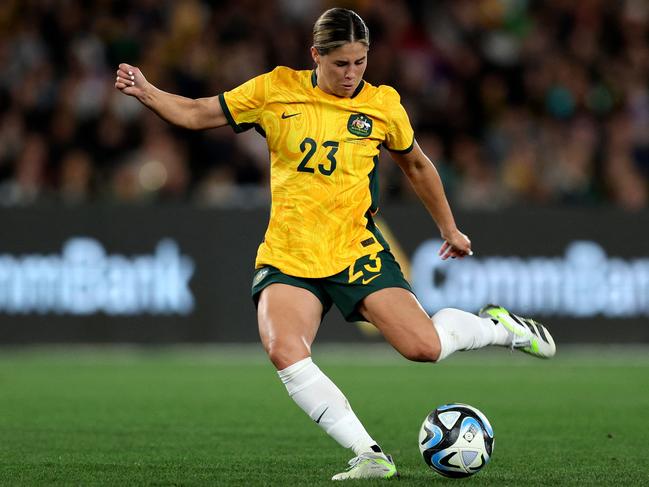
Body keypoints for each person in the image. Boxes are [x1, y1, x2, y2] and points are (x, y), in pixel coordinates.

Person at [115, 7, 555, 481]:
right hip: (289, 254)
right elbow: (200, 112)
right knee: (285, 350)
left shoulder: (383, 105)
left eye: (360, 62)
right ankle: (368, 454)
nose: (351, 75)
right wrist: (149, 92)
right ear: (315, 57)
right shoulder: (275, 89)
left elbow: (418, 166)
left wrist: (449, 229)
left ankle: (499, 327)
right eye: (340, 64)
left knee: (424, 347)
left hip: (354, 250)